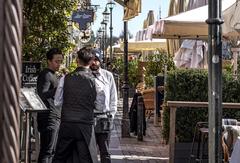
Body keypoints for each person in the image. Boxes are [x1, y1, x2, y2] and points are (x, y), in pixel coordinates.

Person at [53, 47, 98, 163]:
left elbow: (57, 101)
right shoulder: (95, 80)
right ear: (92, 61)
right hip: (85, 125)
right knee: (86, 158)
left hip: (67, 123)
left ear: (77, 60)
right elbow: (99, 104)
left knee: (61, 157)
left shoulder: (65, 78)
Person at [90, 51, 118, 163]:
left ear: (100, 61)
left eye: (96, 60)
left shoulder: (108, 75)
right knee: (89, 151)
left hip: (104, 118)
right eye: (92, 60)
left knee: (105, 150)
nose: (94, 62)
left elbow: (113, 96)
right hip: (89, 117)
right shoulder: (85, 75)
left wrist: (112, 114)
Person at [36, 48, 63, 163]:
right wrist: (58, 89)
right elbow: (41, 95)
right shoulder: (46, 74)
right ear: (49, 61)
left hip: (54, 116)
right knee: (47, 151)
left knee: (51, 151)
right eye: (56, 61)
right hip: (48, 117)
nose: (59, 64)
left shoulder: (53, 75)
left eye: (60, 61)